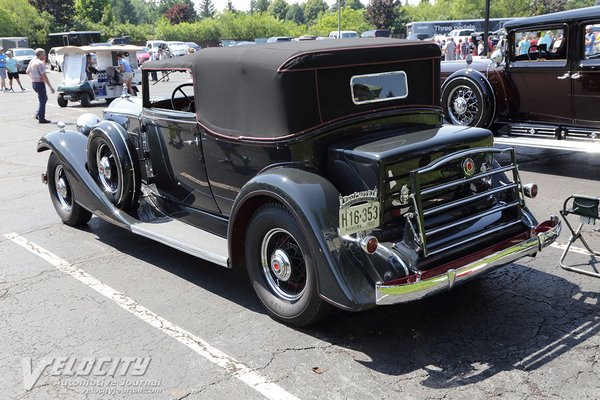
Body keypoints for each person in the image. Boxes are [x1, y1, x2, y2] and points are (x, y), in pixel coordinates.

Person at [26, 48, 54, 124]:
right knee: (43, 100)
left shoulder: (32, 61)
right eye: (44, 54)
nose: (45, 55)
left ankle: (38, 114)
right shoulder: (40, 63)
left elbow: (27, 71)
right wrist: (50, 87)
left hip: (34, 83)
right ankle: (41, 118)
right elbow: (44, 76)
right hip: (39, 84)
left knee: (43, 99)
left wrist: (33, 77)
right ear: (41, 55)